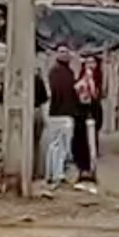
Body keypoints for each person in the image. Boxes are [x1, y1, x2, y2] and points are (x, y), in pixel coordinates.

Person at [44, 45, 79, 186]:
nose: (64, 54)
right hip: (60, 113)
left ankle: (55, 173)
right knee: (58, 145)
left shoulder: (66, 72)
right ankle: (55, 174)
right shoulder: (57, 72)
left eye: (66, 52)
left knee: (60, 145)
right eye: (61, 52)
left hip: (63, 113)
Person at [72, 55, 103, 182]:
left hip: (92, 114)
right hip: (81, 115)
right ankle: (83, 169)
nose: (90, 65)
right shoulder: (82, 79)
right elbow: (77, 92)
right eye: (88, 62)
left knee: (92, 143)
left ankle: (91, 170)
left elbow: (96, 96)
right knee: (82, 143)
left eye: (93, 62)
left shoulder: (98, 79)